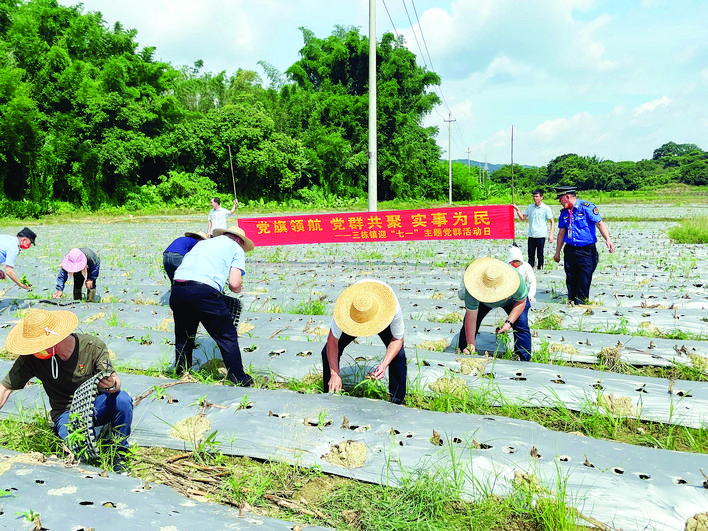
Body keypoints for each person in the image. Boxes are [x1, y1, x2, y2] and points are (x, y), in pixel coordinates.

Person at [0, 309, 133, 472]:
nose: (37, 350)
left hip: (95, 405)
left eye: (41, 345)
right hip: (66, 412)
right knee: (77, 449)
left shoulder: (91, 347)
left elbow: (114, 380)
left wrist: (112, 384)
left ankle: (118, 452)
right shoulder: (32, 359)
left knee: (122, 400)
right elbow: (5, 388)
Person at [170, 225, 255, 386]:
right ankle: (239, 378)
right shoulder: (236, 248)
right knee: (226, 336)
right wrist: (237, 288)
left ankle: (181, 372)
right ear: (239, 241)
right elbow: (234, 284)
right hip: (203, 291)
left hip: (178, 289)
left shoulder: (203, 243)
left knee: (184, 335)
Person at [321, 279, 407, 405]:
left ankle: (397, 401)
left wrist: (383, 365)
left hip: (381, 316)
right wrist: (334, 373)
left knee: (398, 355)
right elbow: (332, 341)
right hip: (355, 318)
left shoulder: (392, 308)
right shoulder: (345, 310)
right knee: (326, 352)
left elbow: (398, 339)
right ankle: (330, 393)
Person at [457, 257, 531, 361]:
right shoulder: (472, 287)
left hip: (511, 301)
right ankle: (463, 352)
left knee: (521, 324)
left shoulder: (516, 281)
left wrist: (508, 323)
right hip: (482, 300)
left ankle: (523, 359)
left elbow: (521, 302)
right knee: (467, 329)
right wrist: (471, 344)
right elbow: (471, 317)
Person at [552, 186, 615, 305]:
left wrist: (608, 239)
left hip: (586, 251)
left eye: (560, 199)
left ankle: (581, 304)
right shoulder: (564, 213)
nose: (560, 202)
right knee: (571, 278)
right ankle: (572, 302)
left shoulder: (587, 207)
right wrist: (557, 252)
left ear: (567, 197)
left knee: (584, 279)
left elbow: (600, 223)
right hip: (570, 250)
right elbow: (561, 232)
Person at [513, 189, 555, 269]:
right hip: (531, 235)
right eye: (534, 196)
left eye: (537, 196)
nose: (535, 198)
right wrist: (517, 209)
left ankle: (540, 269)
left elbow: (552, 221)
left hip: (541, 235)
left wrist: (551, 234)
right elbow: (523, 218)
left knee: (540, 254)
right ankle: (530, 271)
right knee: (530, 255)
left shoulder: (546, 208)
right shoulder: (530, 207)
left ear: (541, 197)